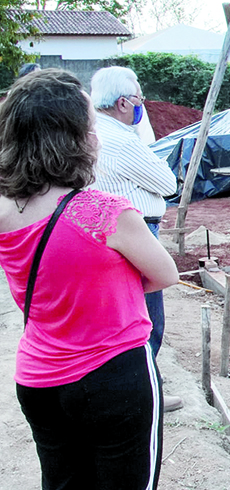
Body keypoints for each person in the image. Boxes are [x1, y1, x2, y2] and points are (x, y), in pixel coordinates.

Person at [0, 69, 179, 489]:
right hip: (114, 375)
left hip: (39, 379)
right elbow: (164, 275)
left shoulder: (6, 208)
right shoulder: (105, 212)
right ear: (76, 137)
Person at [89, 66, 182, 412]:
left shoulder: (94, 133)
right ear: (124, 103)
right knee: (148, 317)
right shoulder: (121, 140)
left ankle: (141, 388)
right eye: (139, 100)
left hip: (111, 230)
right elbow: (167, 183)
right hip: (137, 229)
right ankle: (147, 394)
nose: (142, 107)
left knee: (129, 310)